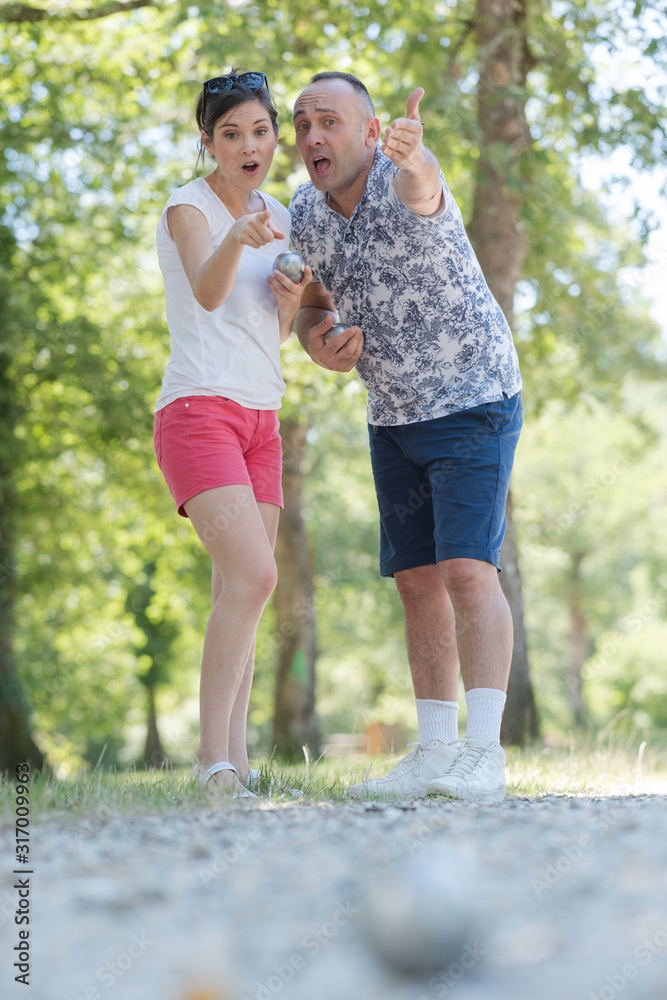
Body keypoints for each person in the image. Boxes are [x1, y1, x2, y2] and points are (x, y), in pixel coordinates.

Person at [289, 72, 523, 802]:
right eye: (300, 125)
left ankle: (483, 753)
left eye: (328, 121)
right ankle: (433, 751)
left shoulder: (404, 174)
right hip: (391, 414)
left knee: (465, 571)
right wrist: (315, 341)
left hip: (473, 397)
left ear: (368, 133)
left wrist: (415, 154)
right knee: (416, 580)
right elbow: (313, 302)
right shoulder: (304, 212)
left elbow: (424, 188)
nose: (310, 137)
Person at [154, 70, 311, 797]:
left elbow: (261, 333)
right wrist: (238, 237)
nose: (248, 146)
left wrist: (287, 302)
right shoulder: (188, 208)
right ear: (209, 142)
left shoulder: (279, 211)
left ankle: (236, 763)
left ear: (274, 134)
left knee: (239, 594)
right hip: (197, 414)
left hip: (260, 419)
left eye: (259, 131)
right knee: (254, 577)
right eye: (230, 134)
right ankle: (209, 761)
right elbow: (208, 292)